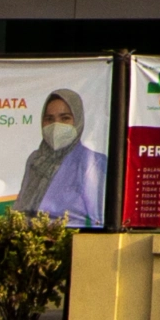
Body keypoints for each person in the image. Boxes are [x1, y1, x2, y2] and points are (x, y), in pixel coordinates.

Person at [12, 89, 105, 228]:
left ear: (78, 120)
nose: (56, 125)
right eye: (49, 119)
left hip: (69, 241)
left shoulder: (92, 161)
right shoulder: (35, 159)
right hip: (29, 240)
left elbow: (98, 219)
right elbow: (20, 206)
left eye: (65, 118)